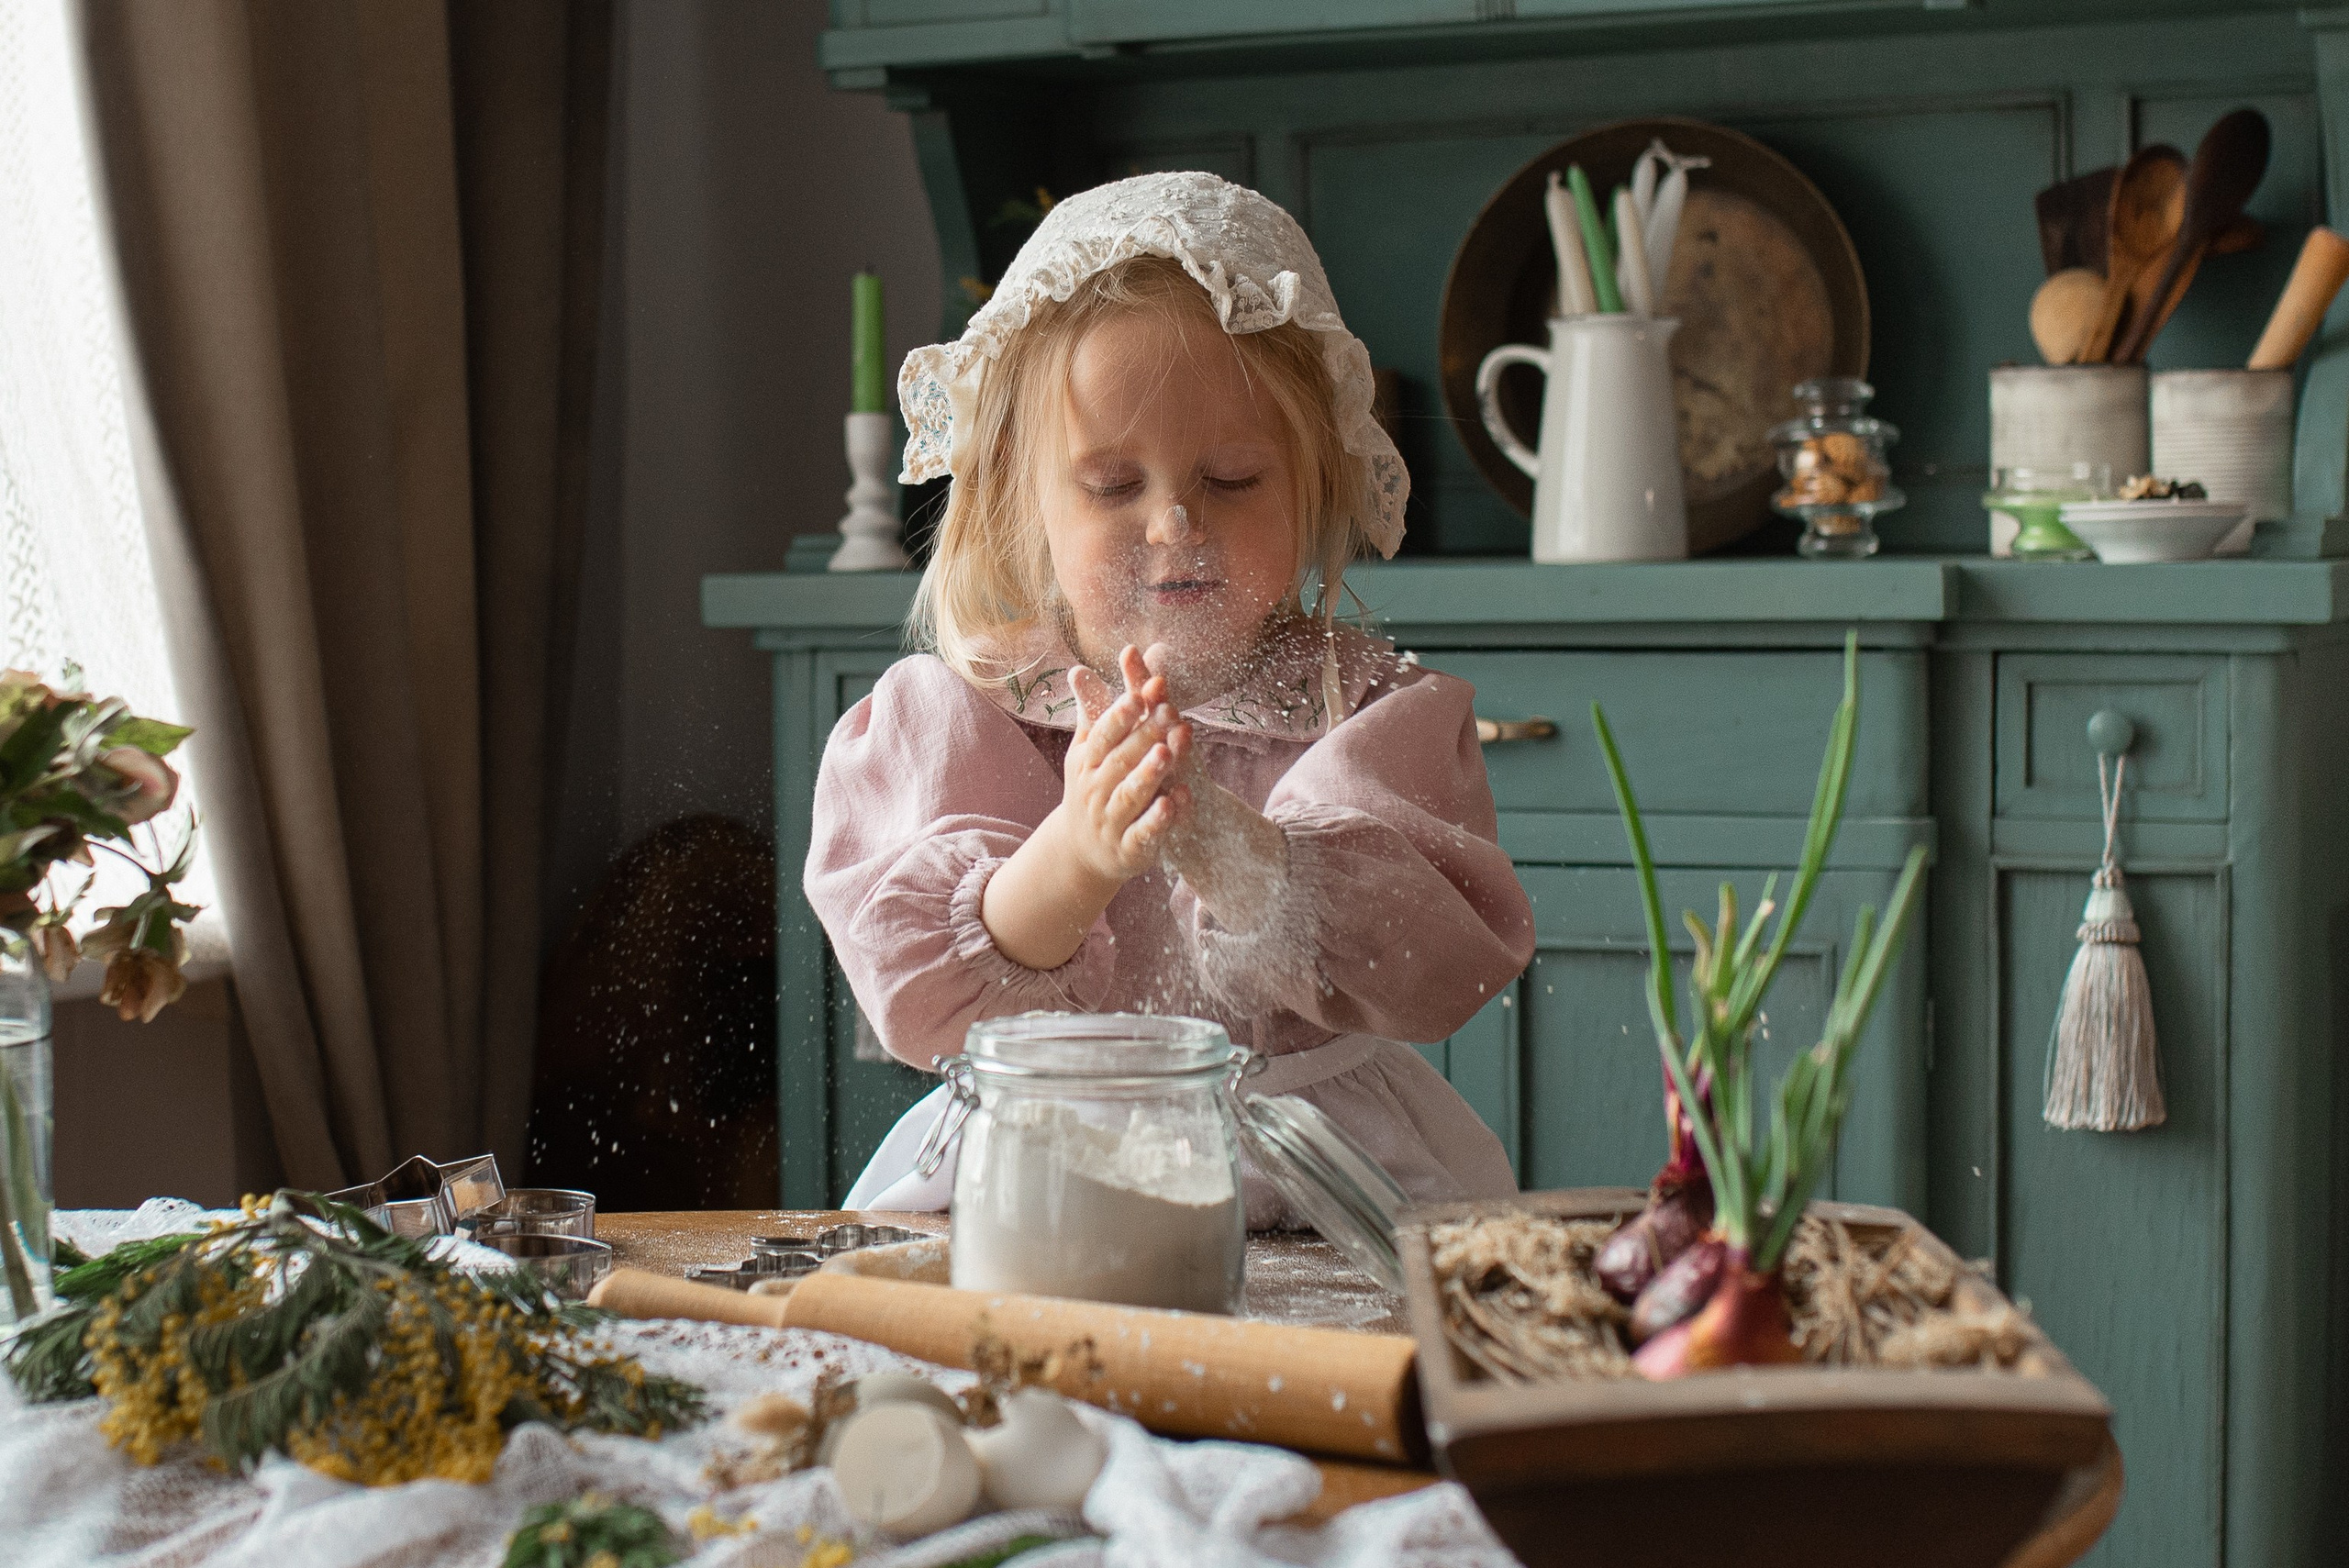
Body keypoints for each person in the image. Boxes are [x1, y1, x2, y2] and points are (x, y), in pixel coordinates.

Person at [807, 172, 1534, 1220]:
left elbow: (1429, 971)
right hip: (1049, 1159)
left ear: (1313, 482)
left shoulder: (1369, 712)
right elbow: (922, 1006)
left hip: (1317, 1157)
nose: (1173, 523)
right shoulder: (970, 711)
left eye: (1232, 477)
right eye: (1112, 486)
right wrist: (1077, 855)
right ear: (1023, 495)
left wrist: (1223, 842)